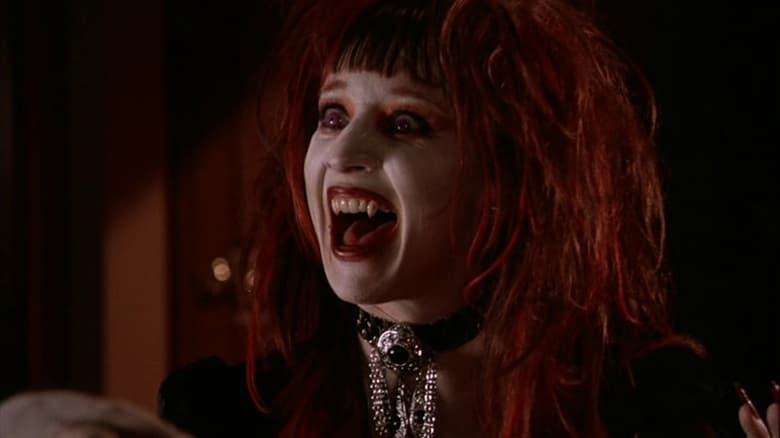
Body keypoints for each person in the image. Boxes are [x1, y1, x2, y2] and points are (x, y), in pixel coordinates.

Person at [159, 1, 779, 437]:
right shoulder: (223, 417)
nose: (343, 155)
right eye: (333, 116)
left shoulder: (653, 413)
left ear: (511, 176)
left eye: (405, 123)